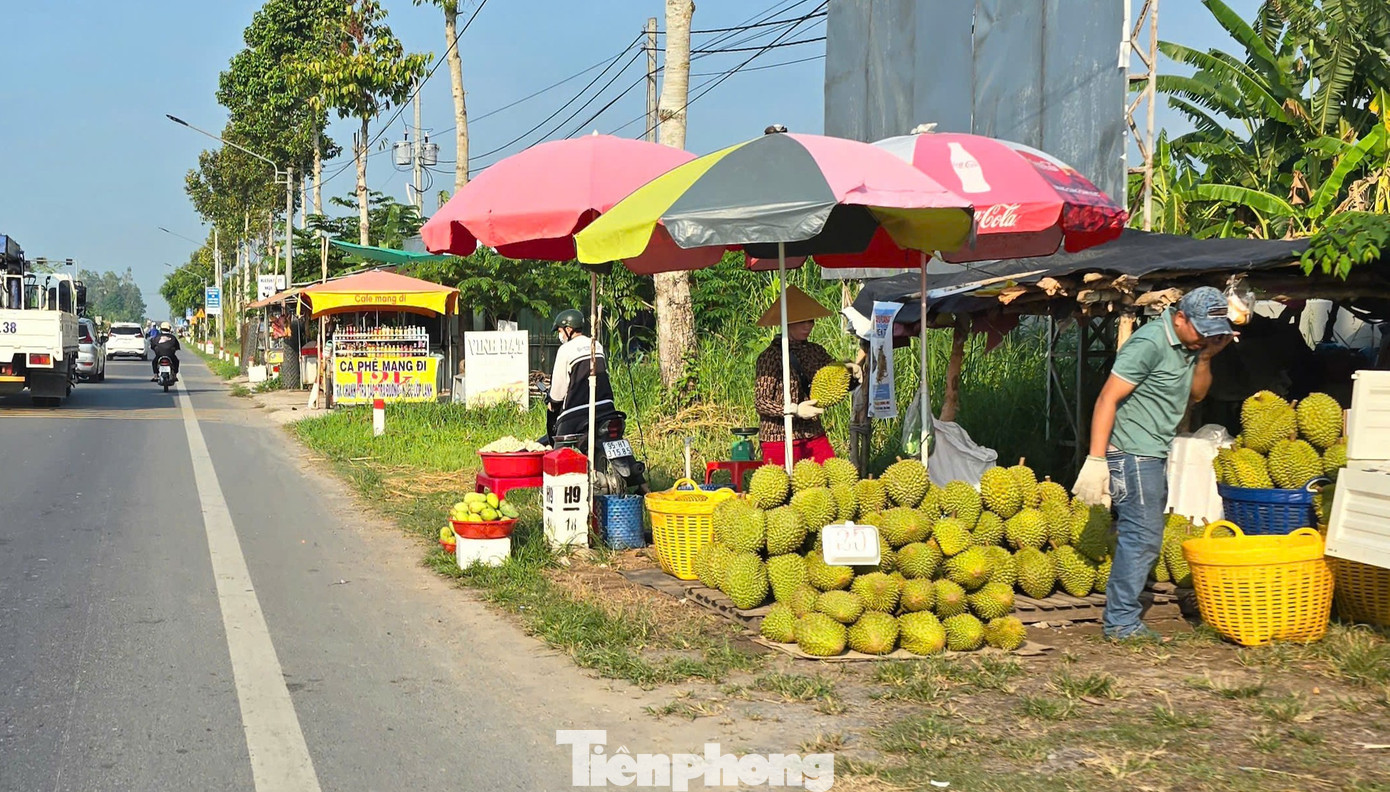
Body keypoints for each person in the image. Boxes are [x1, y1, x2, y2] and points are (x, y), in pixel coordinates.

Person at [1072, 286, 1236, 642]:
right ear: (1179, 318)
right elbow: (1106, 399)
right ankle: (1121, 623)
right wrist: (1097, 459)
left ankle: (1122, 617)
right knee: (1142, 536)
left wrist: (1205, 356)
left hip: (1155, 451)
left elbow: (1197, 394)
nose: (1203, 340)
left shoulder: (1191, 346)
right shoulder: (1148, 344)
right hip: (1132, 452)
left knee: (1143, 533)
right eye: (1200, 333)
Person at [753, 285, 860, 465]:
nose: (807, 326)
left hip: (813, 433)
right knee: (784, 490)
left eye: (810, 321)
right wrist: (793, 410)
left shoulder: (815, 351)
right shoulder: (770, 357)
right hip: (779, 436)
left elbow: (834, 383)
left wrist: (851, 372)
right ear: (787, 322)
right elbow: (761, 402)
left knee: (828, 483)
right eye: (801, 321)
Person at [544, 308, 617, 443]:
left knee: (559, 452)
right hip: (606, 406)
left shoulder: (565, 350)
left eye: (560, 331)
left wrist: (552, 403)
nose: (560, 335)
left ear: (569, 329)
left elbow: (558, 391)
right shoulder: (596, 345)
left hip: (578, 411)